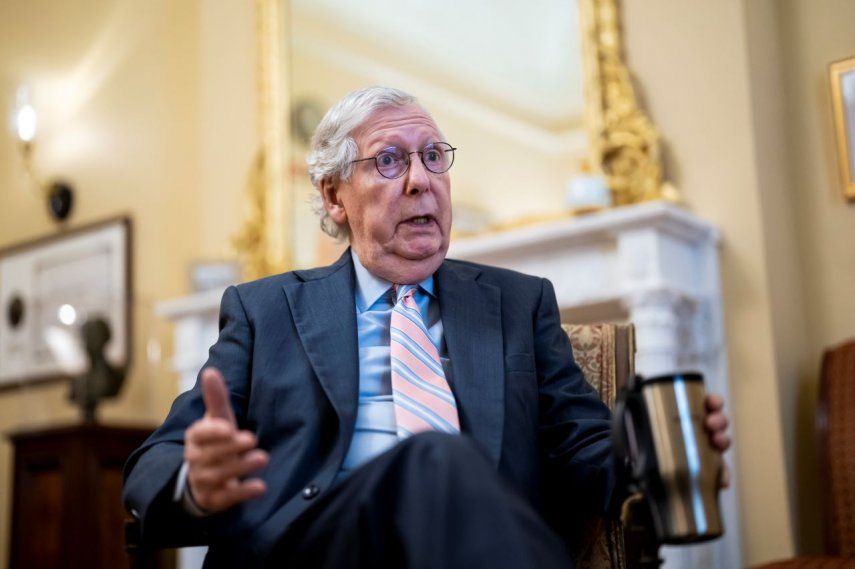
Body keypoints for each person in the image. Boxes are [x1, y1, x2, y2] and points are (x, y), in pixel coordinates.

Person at [123, 86, 731, 568]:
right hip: (312, 546)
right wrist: (196, 485)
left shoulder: (519, 304)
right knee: (434, 460)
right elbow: (154, 465)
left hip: (477, 544)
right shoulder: (266, 311)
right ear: (335, 197)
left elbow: (585, 446)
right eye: (389, 161)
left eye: (433, 157)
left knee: (443, 470)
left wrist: (657, 455)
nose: (421, 179)